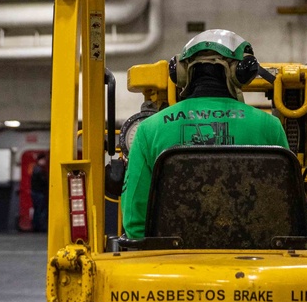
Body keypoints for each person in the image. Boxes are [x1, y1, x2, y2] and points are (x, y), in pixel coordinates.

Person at [120, 29, 290, 239]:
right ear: (243, 71)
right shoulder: (269, 126)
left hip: (171, 264)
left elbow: (135, 220)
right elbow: (284, 210)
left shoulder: (149, 129)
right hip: (252, 260)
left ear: (181, 72)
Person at [30, 153, 49, 233]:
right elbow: (43, 181)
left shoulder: (35, 168)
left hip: (36, 192)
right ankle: (40, 226)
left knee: (37, 210)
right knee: (41, 210)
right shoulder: (39, 170)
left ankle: (36, 226)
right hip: (39, 193)